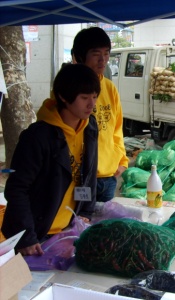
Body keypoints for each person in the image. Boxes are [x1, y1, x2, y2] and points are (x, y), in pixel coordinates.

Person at [1, 64, 100, 254]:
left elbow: (85, 174)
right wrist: (26, 237)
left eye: (94, 97)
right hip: (38, 236)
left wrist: (85, 211)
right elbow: (17, 189)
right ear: (63, 97)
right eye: (84, 98)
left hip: (69, 230)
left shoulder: (89, 127)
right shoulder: (38, 137)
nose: (91, 104)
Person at [72, 27, 129, 202]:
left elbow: (117, 128)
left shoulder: (110, 88)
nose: (103, 60)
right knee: (79, 226)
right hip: (80, 179)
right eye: (96, 54)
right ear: (80, 56)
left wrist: (122, 160)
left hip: (109, 177)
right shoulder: (69, 87)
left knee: (105, 228)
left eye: (106, 53)